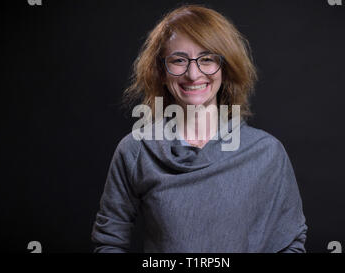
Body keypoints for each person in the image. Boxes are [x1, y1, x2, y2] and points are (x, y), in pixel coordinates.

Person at [91, 4, 307, 253]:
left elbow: (290, 242)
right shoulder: (135, 150)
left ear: (225, 69)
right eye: (179, 60)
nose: (193, 74)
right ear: (161, 71)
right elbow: (109, 242)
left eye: (206, 59)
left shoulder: (267, 153)